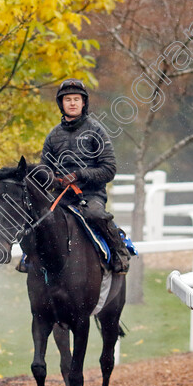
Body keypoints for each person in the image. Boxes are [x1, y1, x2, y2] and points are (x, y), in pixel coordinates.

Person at [40, 79, 130, 274]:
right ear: (61, 104)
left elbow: (109, 169)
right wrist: (53, 180)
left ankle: (119, 251)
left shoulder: (96, 130)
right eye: (68, 99)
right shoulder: (53, 136)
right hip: (61, 196)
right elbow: (43, 170)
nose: (72, 103)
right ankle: (30, 259)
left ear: (83, 103)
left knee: (94, 214)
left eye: (76, 99)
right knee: (39, 217)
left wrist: (79, 175)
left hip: (90, 195)